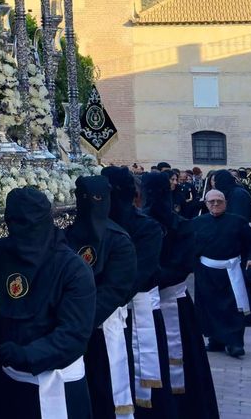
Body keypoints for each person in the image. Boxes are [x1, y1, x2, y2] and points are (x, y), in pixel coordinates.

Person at [0, 187, 96, 417]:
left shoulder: (72, 268)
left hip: (56, 381)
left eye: (28, 225)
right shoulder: (2, 252)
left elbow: (74, 334)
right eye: (15, 224)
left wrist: (28, 354)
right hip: (10, 379)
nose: (22, 232)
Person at [139, 171, 218, 417]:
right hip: (156, 301)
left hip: (165, 302)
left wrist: (147, 279)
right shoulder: (173, 225)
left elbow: (182, 267)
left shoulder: (176, 226)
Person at [63, 176, 137, 419]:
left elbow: (116, 289)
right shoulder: (67, 236)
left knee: (105, 388)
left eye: (98, 199)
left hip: (102, 325)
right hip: (70, 328)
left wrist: (82, 321)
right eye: (86, 199)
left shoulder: (118, 239)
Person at [100, 165, 166, 401]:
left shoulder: (147, 228)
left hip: (136, 311)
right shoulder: (96, 227)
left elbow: (138, 274)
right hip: (104, 316)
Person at [190, 189, 251, 357]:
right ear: (206, 204)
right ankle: (215, 340)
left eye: (219, 201)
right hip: (206, 272)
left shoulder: (238, 222)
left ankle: (235, 342)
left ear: (225, 203)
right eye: (211, 201)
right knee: (209, 307)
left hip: (232, 271)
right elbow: (188, 244)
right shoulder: (197, 222)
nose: (215, 204)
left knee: (233, 308)